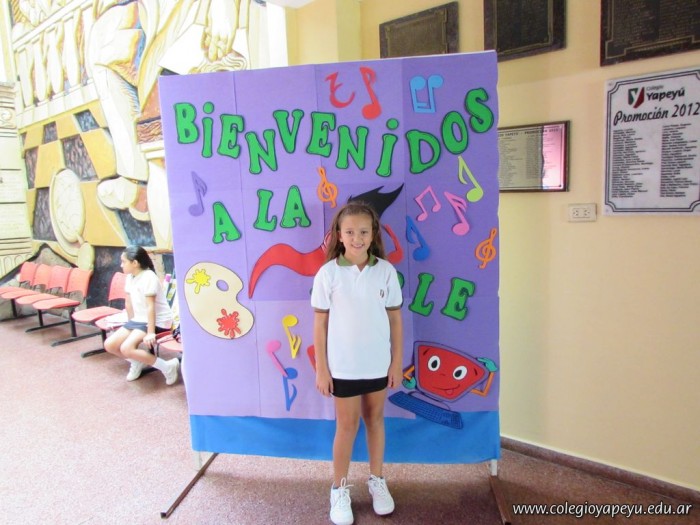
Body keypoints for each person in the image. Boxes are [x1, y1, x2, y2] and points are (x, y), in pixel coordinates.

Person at [311, 202, 404, 525]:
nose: (357, 238)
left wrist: (396, 363)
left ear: (373, 234)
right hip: (343, 368)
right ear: (339, 235)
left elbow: (395, 321)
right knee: (347, 426)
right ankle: (338, 489)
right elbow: (320, 324)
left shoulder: (386, 271)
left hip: (378, 365)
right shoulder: (328, 273)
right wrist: (322, 369)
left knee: (375, 420)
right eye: (350, 232)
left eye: (363, 231)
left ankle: (377, 480)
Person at [104, 245, 179, 385]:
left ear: (135, 263)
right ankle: (137, 361)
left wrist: (150, 333)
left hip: (157, 321)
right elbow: (128, 303)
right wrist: (129, 325)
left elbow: (151, 307)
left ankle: (167, 367)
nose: (121, 265)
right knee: (110, 345)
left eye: (123, 262)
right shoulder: (130, 277)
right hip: (138, 320)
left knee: (126, 348)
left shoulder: (149, 277)